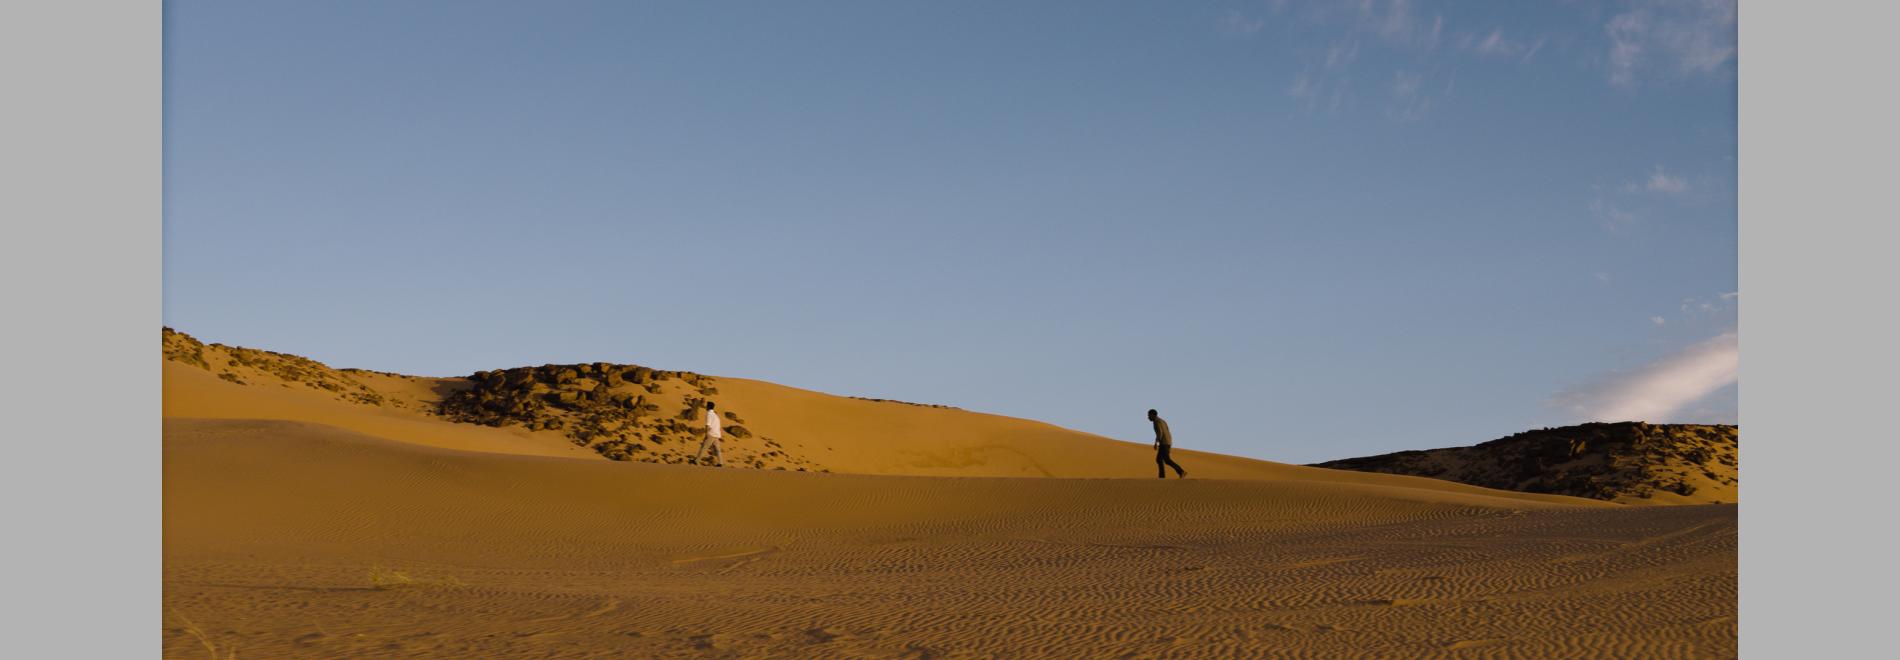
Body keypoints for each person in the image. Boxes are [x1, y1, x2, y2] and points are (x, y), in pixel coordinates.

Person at [1149, 408, 1186, 479]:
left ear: (1153, 415)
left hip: (1164, 443)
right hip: (1167, 442)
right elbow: (1167, 430)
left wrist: (1156, 442)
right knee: (1160, 459)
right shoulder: (1162, 421)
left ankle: (1181, 471)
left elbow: (1160, 433)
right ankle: (1162, 477)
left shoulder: (1157, 422)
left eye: (1149, 416)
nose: (1148, 417)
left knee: (1166, 460)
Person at [694, 400, 724, 467]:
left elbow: (708, 425)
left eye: (706, 405)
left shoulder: (709, 414)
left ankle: (696, 461)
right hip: (716, 434)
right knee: (717, 449)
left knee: (704, 447)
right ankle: (720, 462)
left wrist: (706, 434)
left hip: (711, 433)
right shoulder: (716, 415)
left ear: (708, 407)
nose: (705, 406)